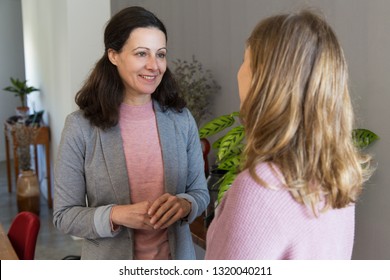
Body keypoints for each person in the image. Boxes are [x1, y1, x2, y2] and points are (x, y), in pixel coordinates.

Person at [205, 10, 373, 260]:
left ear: (264, 80)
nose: (239, 71)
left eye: (245, 60)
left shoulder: (261, 187)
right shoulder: (337, 181)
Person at [53, 6, 209, 260]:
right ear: (114, 55)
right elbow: (64, 215)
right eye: (141, 54)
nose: (154, 65)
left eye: (160, 54)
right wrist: (116, 215)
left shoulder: (181, 119)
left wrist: (184, 204)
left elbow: (199, 194)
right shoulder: (80, 127)